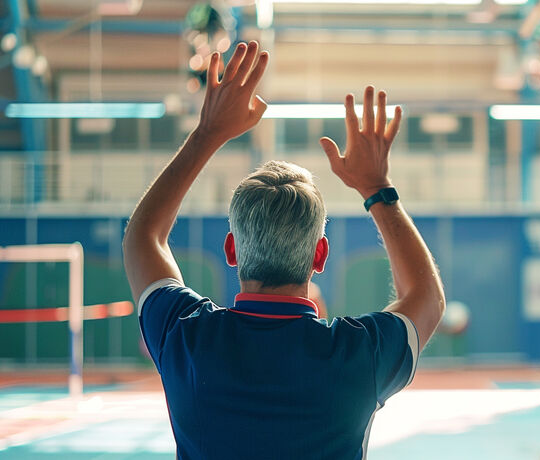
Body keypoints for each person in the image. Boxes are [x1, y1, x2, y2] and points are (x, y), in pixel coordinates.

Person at [122, 41, 445, 459]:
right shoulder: (358, 355)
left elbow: (143, 236)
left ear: (231, 249)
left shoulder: (186, 336)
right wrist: (377, 189)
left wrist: (209, 132)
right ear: (320, 255)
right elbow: (426, 299)